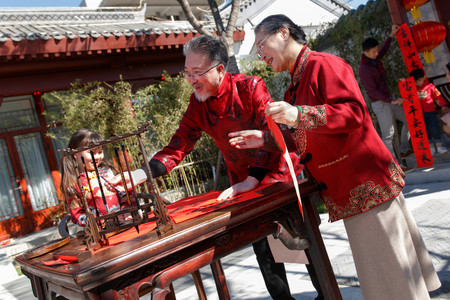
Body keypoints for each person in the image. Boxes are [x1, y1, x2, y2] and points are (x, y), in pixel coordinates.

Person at [228, 14, 440, 300]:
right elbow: (309, 135)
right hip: (352, 189)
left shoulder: (323, 64)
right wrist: (265, 138)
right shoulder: (297, 81)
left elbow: (354, 113)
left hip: (366, 183)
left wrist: (298, 114)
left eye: (262, 44)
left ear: (283, 33)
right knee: (386, 277)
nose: (261, 54)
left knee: (392, 279)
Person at [113, 35, 322, 300]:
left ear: (220, 69)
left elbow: (272, 134)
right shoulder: (197, 104)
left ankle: (325, 294)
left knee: (302, 244)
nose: (191, 79)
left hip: (275, 175)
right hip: (241, 185)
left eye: (197, 72)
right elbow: (178, 145)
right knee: (264, 251)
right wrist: (141, 174)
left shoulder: (249, 87)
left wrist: (254, 179)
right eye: (187, 73)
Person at [358, 26, 413, 166]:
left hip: (389, 98)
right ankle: (394, 165)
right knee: (388, 135)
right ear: (366, 52)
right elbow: (372, 92)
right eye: (374, 51)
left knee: (409, 119)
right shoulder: (364, 69)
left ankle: (403, 151)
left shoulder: (374, 59)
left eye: (377, 50)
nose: (377, 53)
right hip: (380, 103)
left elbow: (382, 51)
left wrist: (391, 36)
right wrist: (391, 101)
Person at [60, 129, 129, 226]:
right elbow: (77, 214)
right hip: (99, 232)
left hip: (125, 223)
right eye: (91, 153)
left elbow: (127, 195)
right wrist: (98, 221)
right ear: (76, 154)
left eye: (100, 152)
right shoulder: (74, 182)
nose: (97, 157)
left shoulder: (110, 172)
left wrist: (126, 211)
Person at [409, 68, 449, 154]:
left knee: (435, 128)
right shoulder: (411, 89)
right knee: (425, 130)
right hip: (419, 113)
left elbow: (438, 96)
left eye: (420, 80)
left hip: (431, 112)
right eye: (416, 82)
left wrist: (443, 105)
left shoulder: (430, 86)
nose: (419, 83)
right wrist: (404, 82)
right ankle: (430, 147)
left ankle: (439, 146)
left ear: (424, 77)